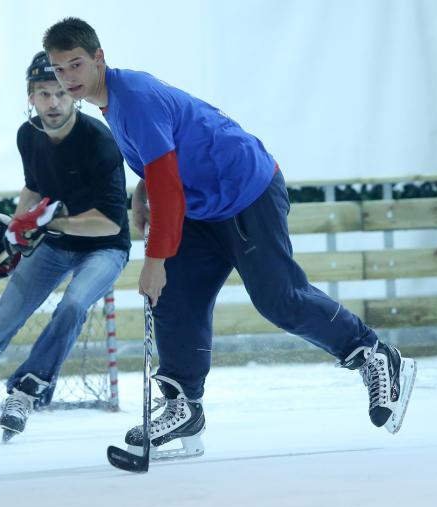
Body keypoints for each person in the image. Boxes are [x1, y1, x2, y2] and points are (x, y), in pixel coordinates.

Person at [42, 18, 416, 460]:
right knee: (174, 297)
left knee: (279, 299)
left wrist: (154, 260)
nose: (68, 78)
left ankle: (373, 354)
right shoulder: (111, 101)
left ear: (99, 58)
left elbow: (169, 188)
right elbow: (169, 149)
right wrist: (142, 190)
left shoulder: (133, 97)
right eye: (59, 69)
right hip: (202, 205)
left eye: (76, 64)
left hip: (245, 192)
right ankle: (183, 405)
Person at [0, 51, 131, 443]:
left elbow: (110, 222)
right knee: (3, 317)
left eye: (61, 93)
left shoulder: (100, 142)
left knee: (73, 305)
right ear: (30, 97)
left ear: (74, 95)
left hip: (105, 248)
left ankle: (27, 389)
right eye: (44, 94)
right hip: (54, 243)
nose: (53, 103)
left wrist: (47, 224)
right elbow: (34, 188)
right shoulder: (29, 135)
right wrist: (11, 240)